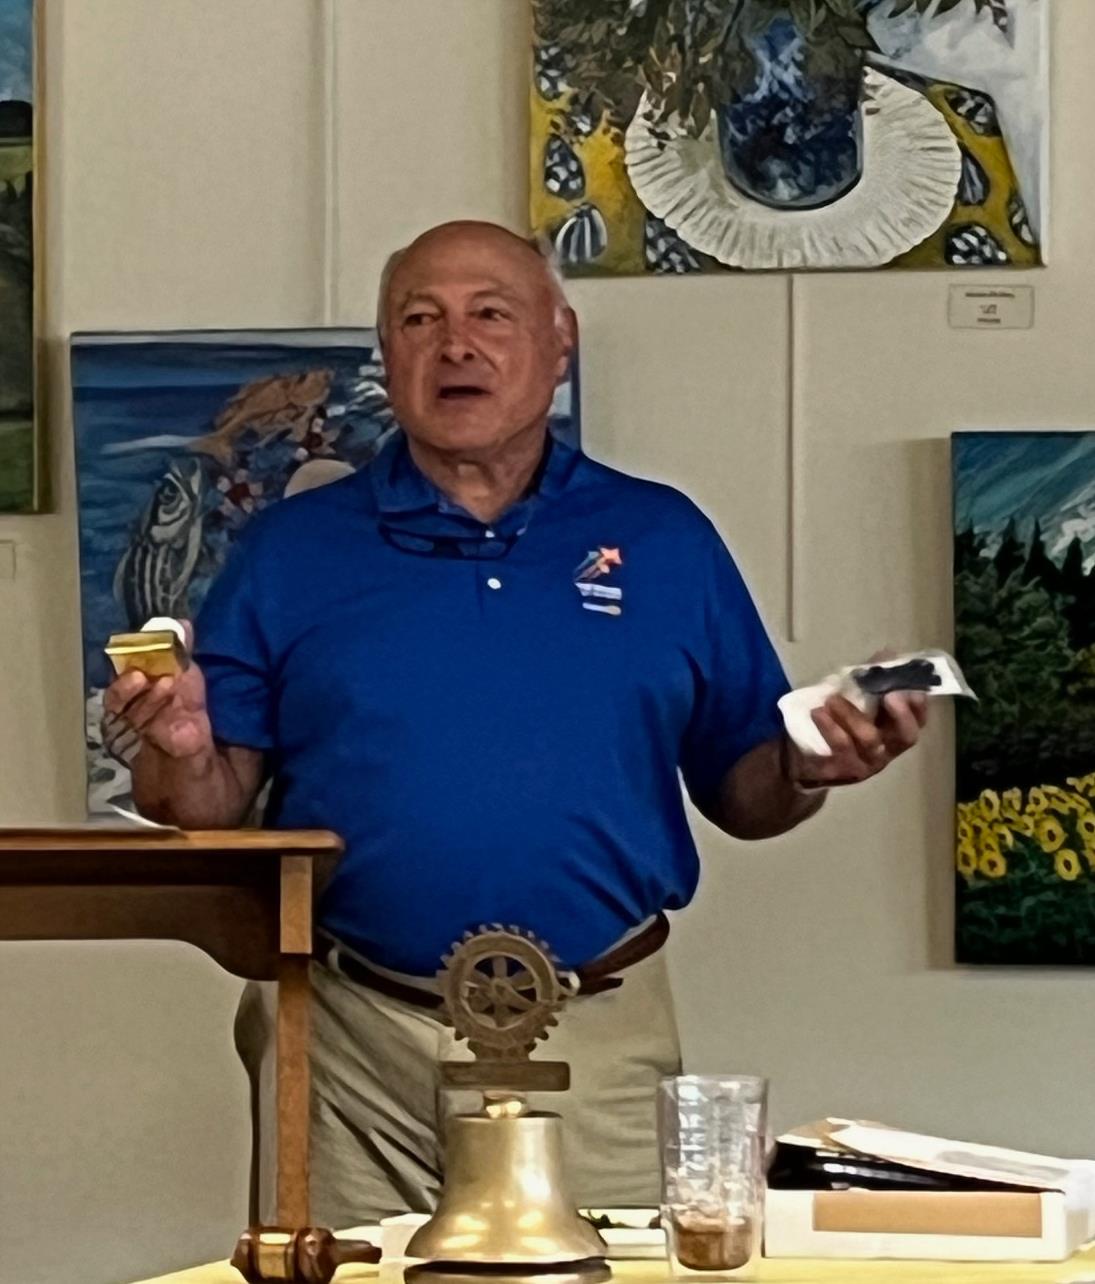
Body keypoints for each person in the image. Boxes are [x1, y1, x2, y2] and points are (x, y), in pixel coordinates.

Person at [101, 220, 926, 1226]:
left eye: (490, 314)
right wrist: (180, 750)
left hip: (598, 1035)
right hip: (354, 1042)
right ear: (387, 356)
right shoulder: (288, 551)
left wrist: (806, 767)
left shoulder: (664, 539)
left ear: (558, 341)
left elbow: (744, 795)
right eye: (420, 319)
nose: (456, 344)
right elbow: (204, 806)